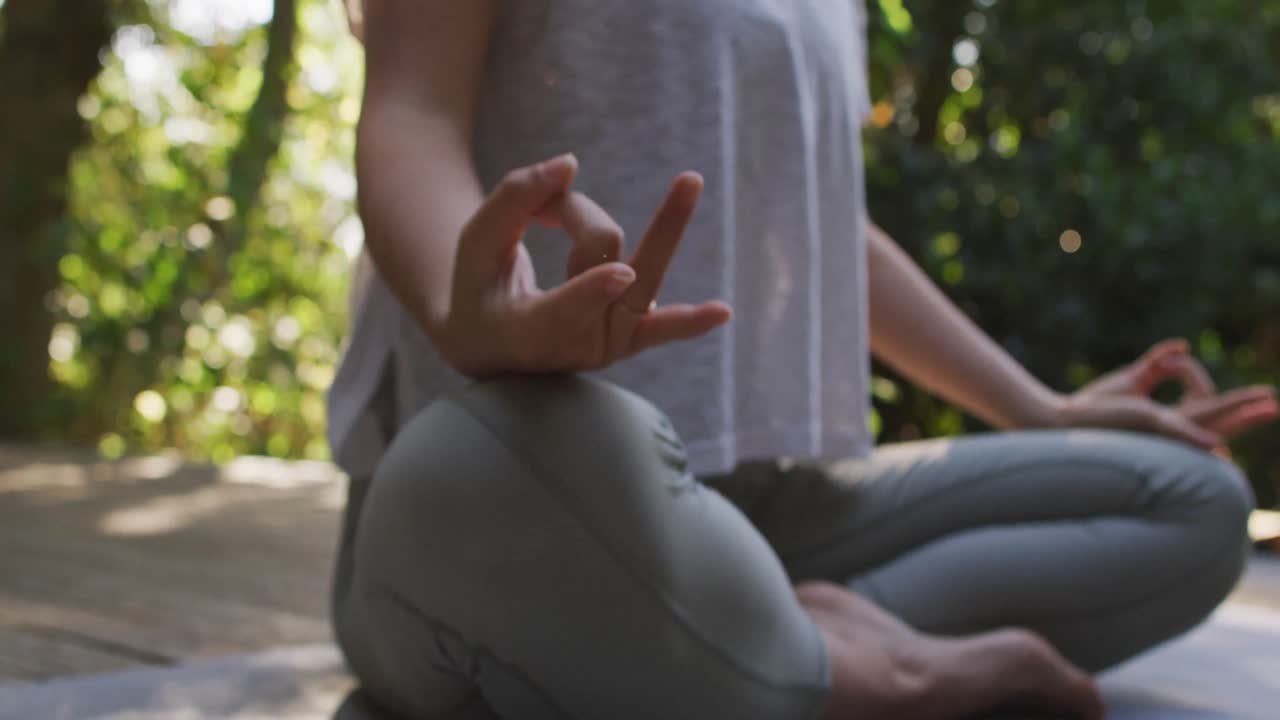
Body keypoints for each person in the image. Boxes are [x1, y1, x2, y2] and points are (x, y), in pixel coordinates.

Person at [325, 2, 1279, 718]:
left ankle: (765, 648)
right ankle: (872, 669)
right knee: (529, 451)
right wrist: (477, 315)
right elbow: (411, 110)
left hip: (773, 508)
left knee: (1193, 499)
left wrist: (1045, 408)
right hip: (533, 489)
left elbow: (824, 227)